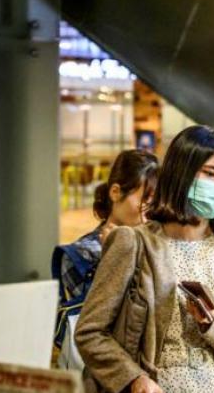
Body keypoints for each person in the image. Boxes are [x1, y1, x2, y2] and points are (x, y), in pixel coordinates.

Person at [75, 125, 214, 393]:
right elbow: (90, 332)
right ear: (182, 174)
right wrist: (132, 378)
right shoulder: (134, 243)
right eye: (210, 173)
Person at [53, 149, 159, 371]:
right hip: (103, 377)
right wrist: (115, 254)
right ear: (115, 192)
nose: (149, 213)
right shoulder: (80, 254)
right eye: (144, 201)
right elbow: (100, 320)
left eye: (155, 204)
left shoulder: (160, 247)